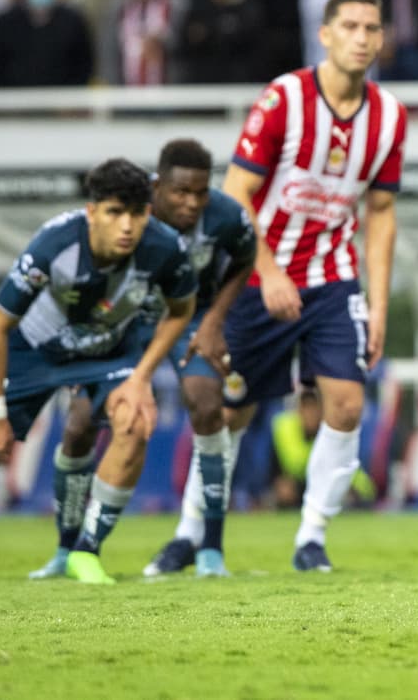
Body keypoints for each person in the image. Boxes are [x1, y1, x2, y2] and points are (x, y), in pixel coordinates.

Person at [219, 0, 407, 572]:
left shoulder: (390, 116)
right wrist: (270, 270)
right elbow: (235, 195)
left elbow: (379, 213)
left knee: (347, 404)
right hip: (259, 279)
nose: (361, 38)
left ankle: (312, 537)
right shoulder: (284, 99)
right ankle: (193, 530)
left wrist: (378, 305)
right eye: (349, 26)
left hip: (334, 279)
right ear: (324, 34)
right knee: (231, 413)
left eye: (371, 28)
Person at [0, 159, 196, 584]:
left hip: (111, 351)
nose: (127, 226)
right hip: (36, 348)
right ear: (92, 211)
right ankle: (66, 550)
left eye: (137, 213)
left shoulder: (166, 248)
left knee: (134, 421)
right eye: (115, 212)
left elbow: (181, 311)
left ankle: (84, 551)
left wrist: (141, 378)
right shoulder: (53, 245)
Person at [115, 140, 254, 577]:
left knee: (209, 404)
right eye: (180, 192)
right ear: (157, 187)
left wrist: (215, 319)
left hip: (193, 321)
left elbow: (246, 257)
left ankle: (210, 547)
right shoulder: (130, 217)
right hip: (134, 320)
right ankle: (73, 550)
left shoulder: (227, 215)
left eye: (200, 192)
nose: (191, 202)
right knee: (85, 417)